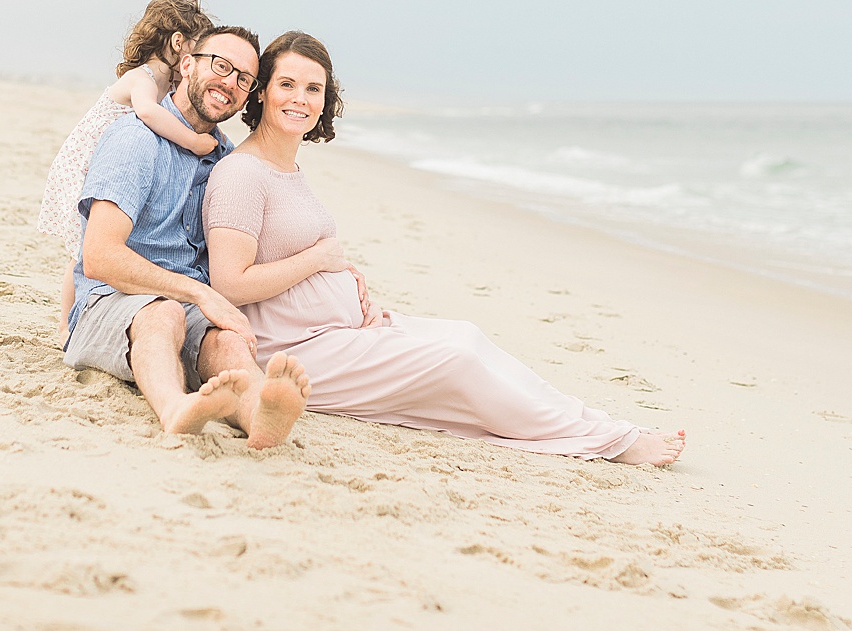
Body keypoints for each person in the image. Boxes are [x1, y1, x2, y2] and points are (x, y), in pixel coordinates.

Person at [202, 31, 686, 466]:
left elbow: (297, 248)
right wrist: (323, 260)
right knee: (457, 364)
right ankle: (611, 444)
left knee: (466, 337)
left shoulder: (287, 167)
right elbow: (230, 283)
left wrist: (344, 275)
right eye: (287, 84)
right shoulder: (241, 174)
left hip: (338, 332)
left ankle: (595, 423)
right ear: (261, 91)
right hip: (292, 354)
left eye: (314, 89)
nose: (300, 99)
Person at [63, 25, 312, 448]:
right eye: (221, 65)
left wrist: (334, 264)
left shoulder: (226, 161)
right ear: (187, 64)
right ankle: (175, 407)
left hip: (186, 309)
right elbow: (100, 256)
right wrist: (199, 294)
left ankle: (260, 413)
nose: (229, 83)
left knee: (230, 341)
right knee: (165, 314)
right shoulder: (135, 140)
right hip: (108, 305)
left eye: (244, 78)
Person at [38, 0, 218, 341]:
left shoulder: (166, 82)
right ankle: (65, 324)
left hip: (104, 161)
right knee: (85, 246)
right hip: (87, 161)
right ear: (179, 43)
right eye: (199, 49)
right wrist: (193, 143)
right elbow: (149, 114)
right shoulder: (144, 77)